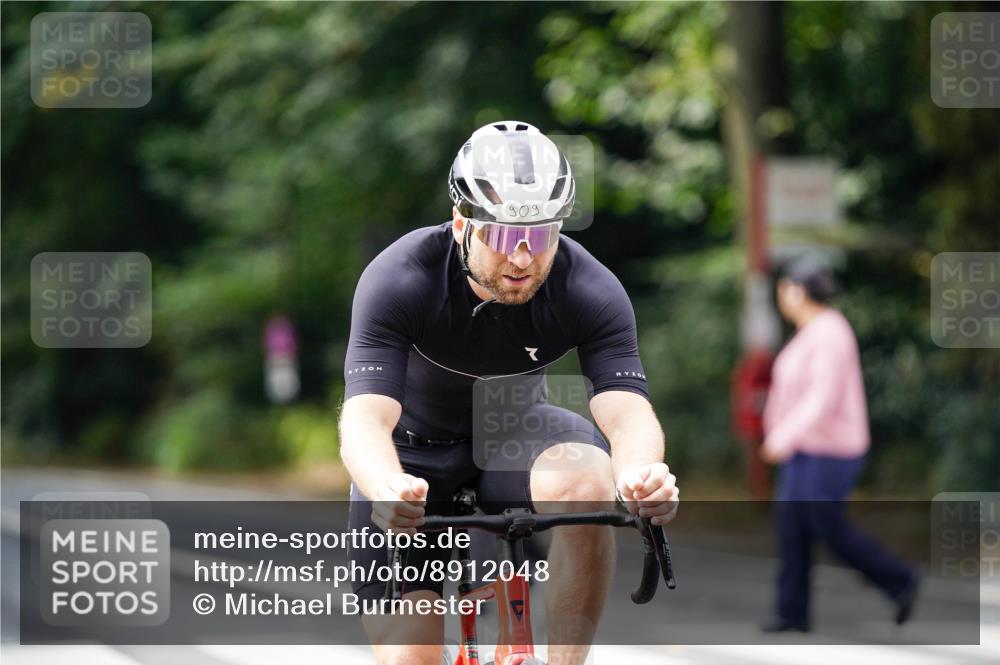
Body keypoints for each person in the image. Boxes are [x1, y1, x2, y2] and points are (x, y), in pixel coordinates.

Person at [338, 121, 679, 665]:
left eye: (541, 235)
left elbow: (626, 409)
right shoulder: (401, 277)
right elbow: (364, 418)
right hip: (410, 456)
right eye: (501, 235)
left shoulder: (587, 286)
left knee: (589, 482)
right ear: (461, 224)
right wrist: (384, 486)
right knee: (410, 658)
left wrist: (642, 473)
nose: (522, 258)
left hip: (515, 434)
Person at [760, 258, 919, 632]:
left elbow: (822, 395)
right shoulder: (809, 331)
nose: (782, 295)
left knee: (826, 525)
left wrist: (783, 436)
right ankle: (791, 611)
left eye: (786, 288)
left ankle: (899, 579)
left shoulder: (831, 331)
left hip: (831, 450)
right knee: (792, 527)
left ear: (800, 291)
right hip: (803, 450)